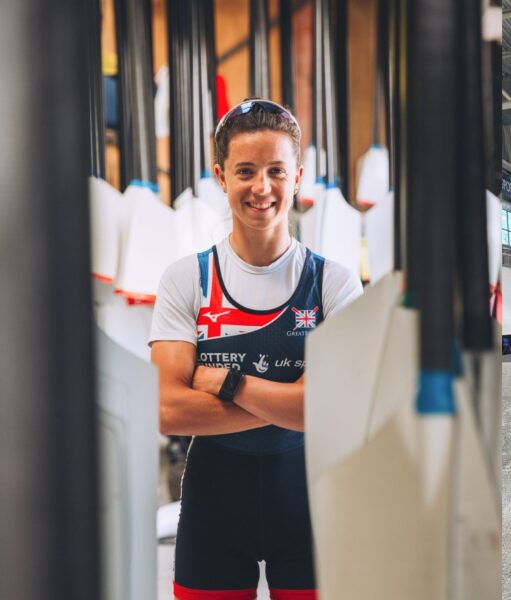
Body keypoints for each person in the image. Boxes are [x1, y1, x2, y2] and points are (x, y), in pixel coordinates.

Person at [149, 98, 363, 600]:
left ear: (298, 176)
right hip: (214, 507)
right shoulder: (188, 279)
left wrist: (229, 383)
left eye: (275, 171)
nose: (261, 187)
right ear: (221, 177)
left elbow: (337, 412)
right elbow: (167, 409)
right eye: (246, 171)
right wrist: (294, 403)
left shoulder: (334, 282)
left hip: (309, 502)